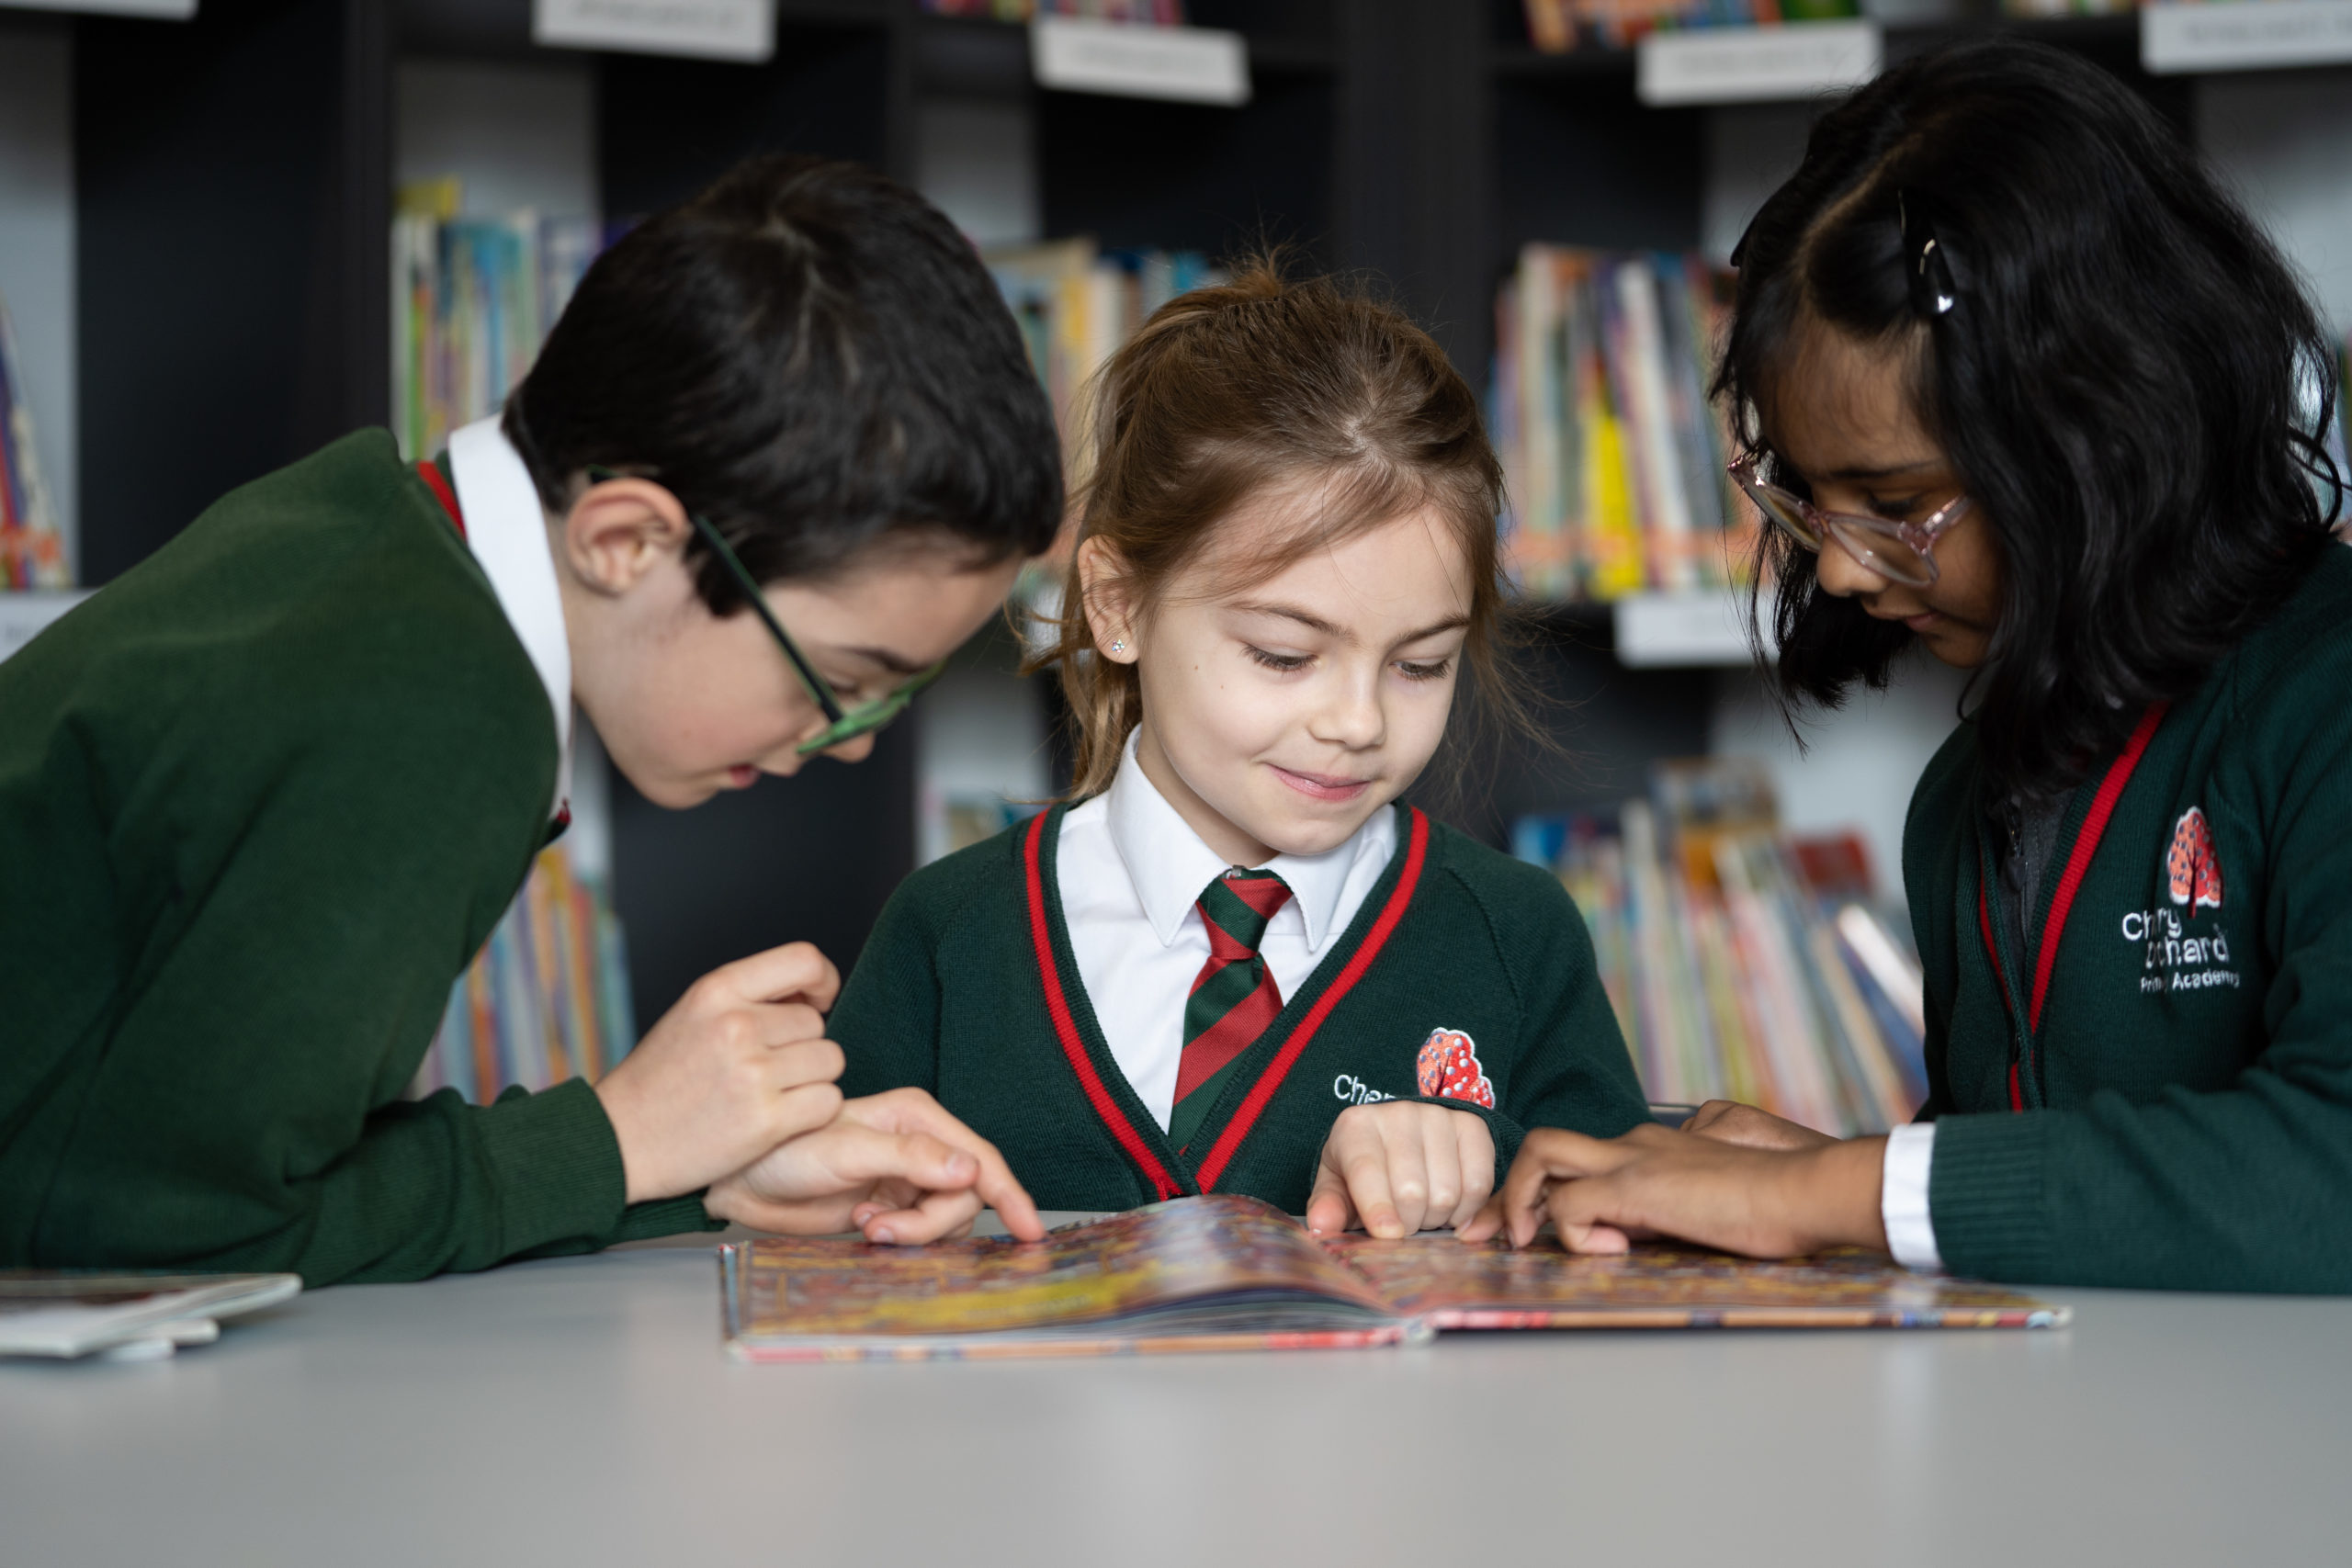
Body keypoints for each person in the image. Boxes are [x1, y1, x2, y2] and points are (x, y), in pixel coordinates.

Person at [0, 155, 1057, 1285]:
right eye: (844, 674)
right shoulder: (427, 707)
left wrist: (675, 1174)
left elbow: (176, 1175)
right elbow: (169, 1227)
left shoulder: (371, 527)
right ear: (627, 542)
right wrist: (616, 1139)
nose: (853, 740)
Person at [1469, 39, 2352, 1292]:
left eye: (1893, 501)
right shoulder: (1968, 800)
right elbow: (2076, 1206)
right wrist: (1841, 1175)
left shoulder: (2325, 705)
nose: (1836, 572)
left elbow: (2328, 1166)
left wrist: (1830, 1189)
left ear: (2098, 432)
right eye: (1807, 502)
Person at [828, 263, 1650, 1237]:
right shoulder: (948, 931)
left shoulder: (1517, 934)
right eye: (1283, 654)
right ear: (1118, 605)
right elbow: (820, 1219)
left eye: (1419, 665)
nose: (1358, 722)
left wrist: (1484, 1165)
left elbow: (1619, 1220)